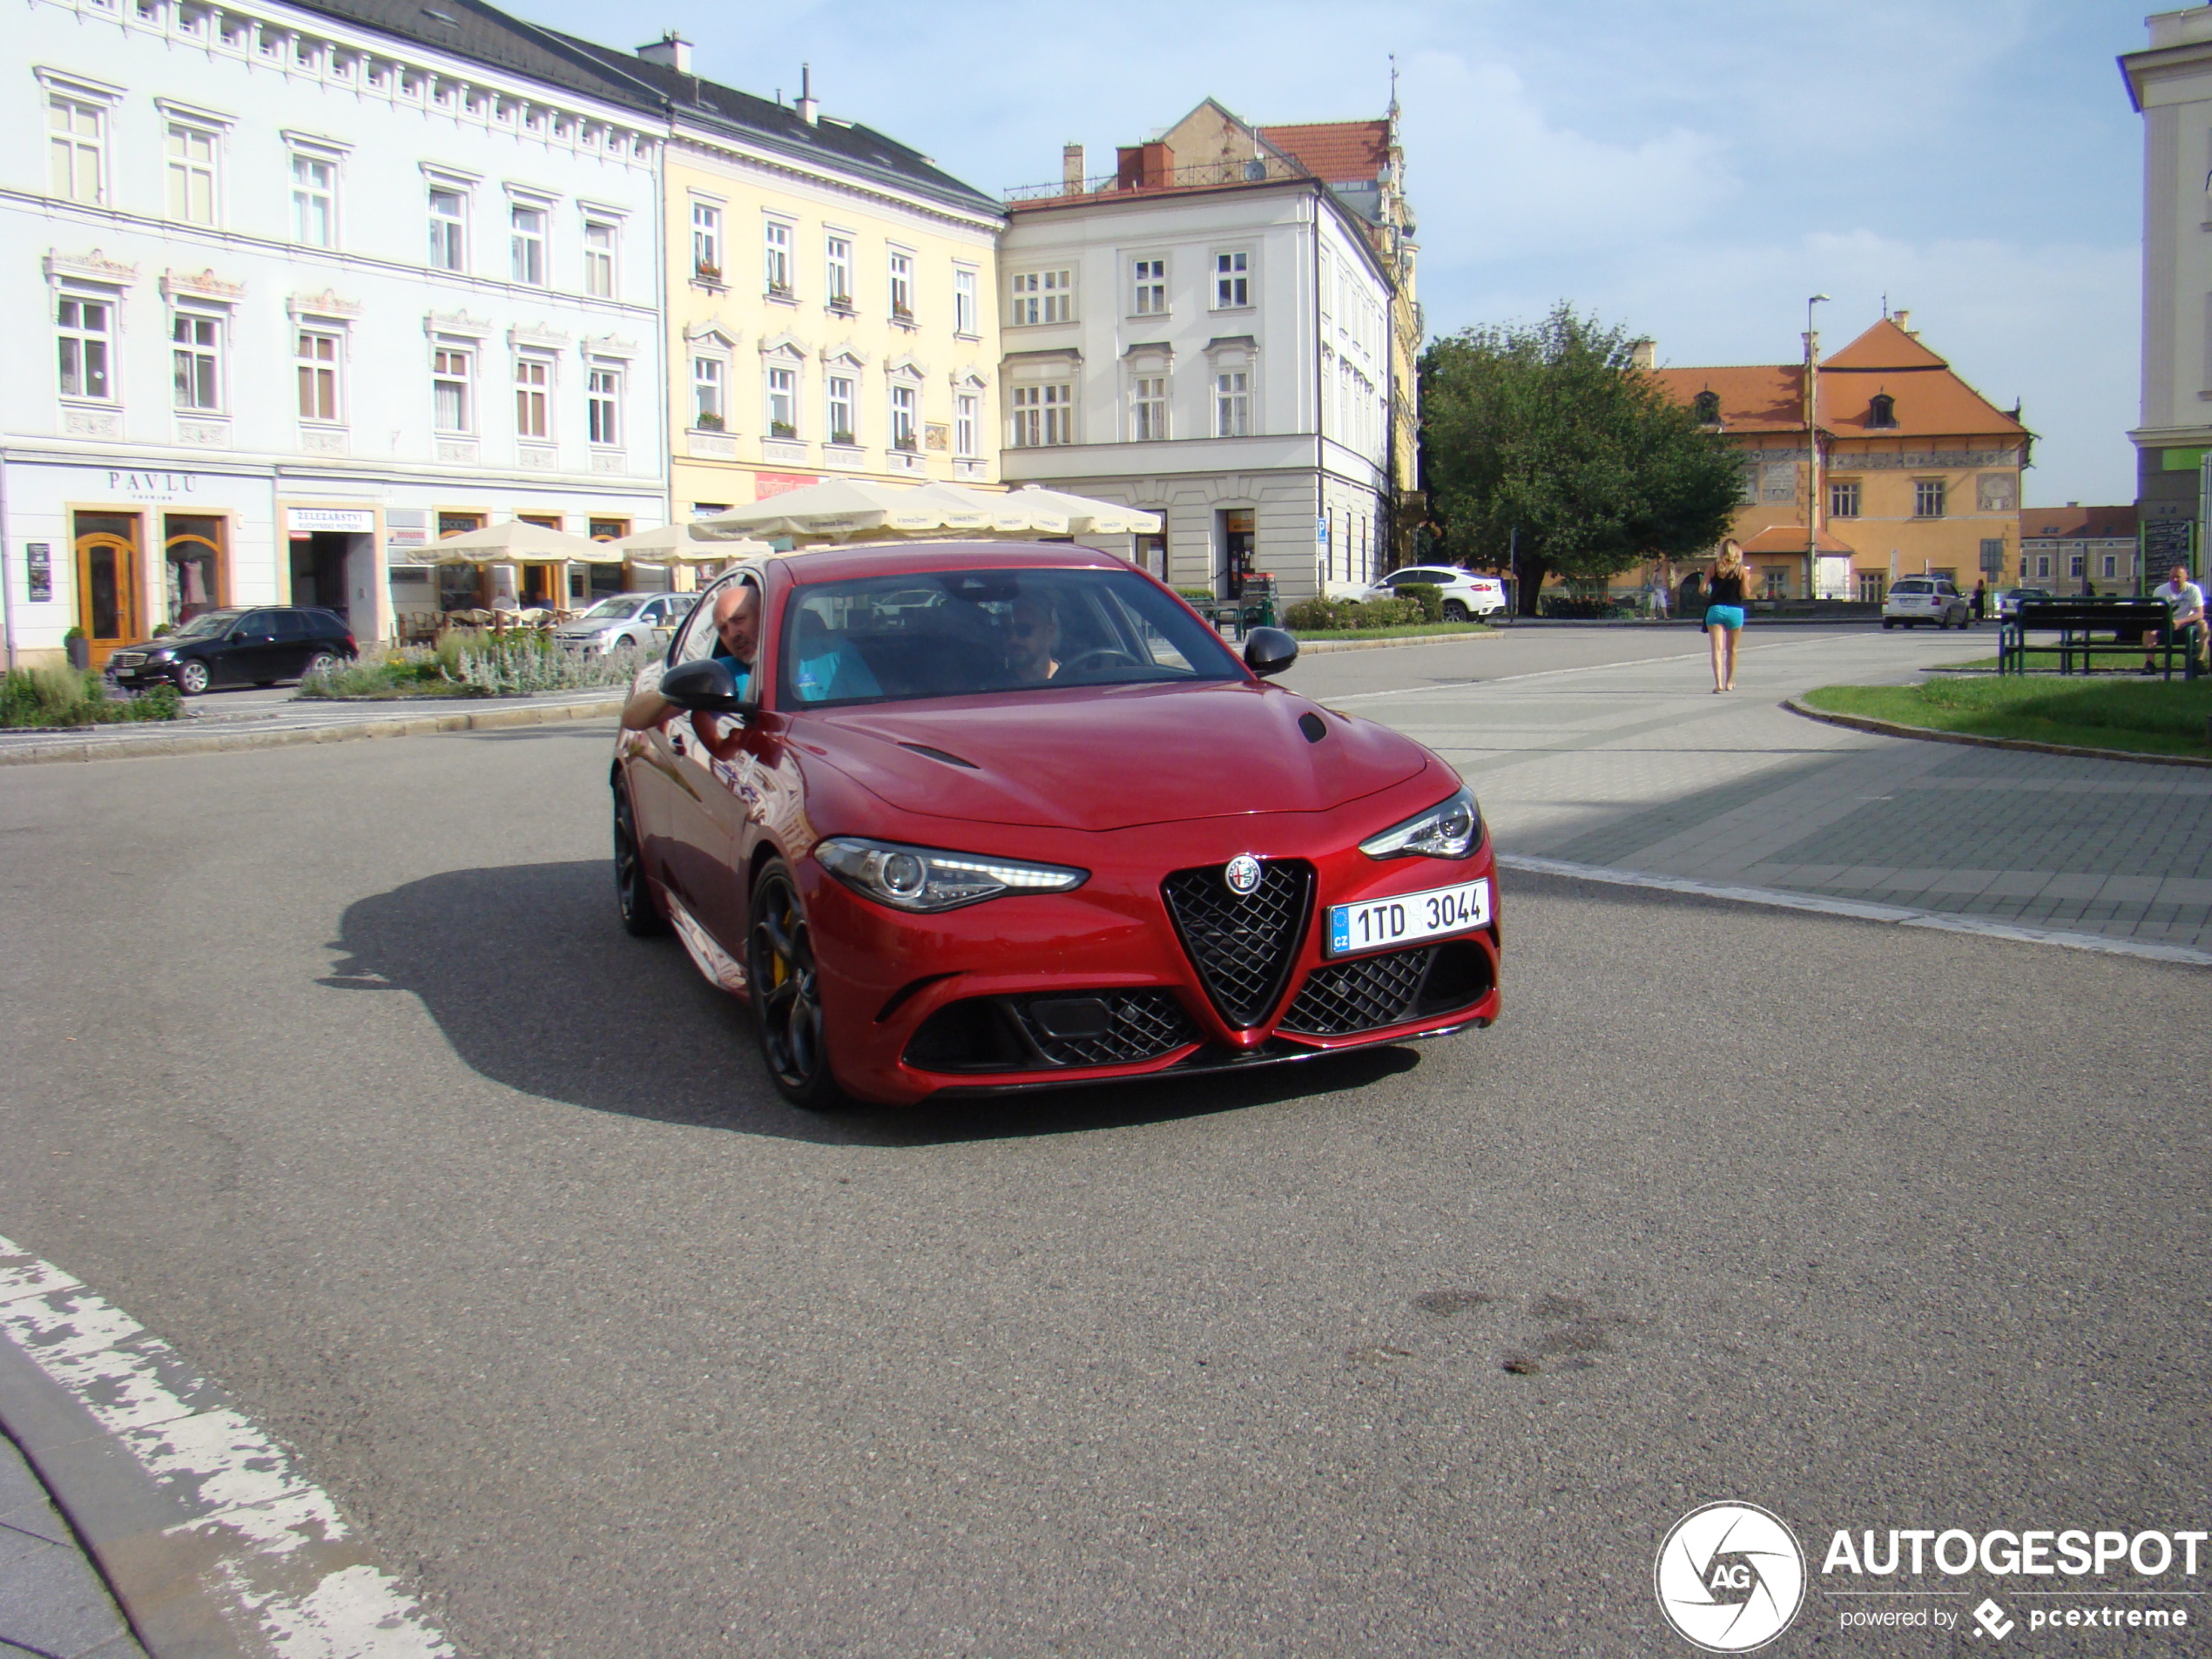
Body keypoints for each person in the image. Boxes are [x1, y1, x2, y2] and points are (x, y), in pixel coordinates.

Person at [621, 580, 758, 733]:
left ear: (763, 615)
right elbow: (632, 719)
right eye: (723, 629)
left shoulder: (789, 670)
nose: (733, 634)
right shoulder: (724, 674)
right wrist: (676, 690)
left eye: (739, 619)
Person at [2145, 562, 2207, 678]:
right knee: (2149, 629)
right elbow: (2155, 613)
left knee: (2203, 625)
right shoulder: (2160, 590)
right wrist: (2165, 623)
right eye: (2172, 577)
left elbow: (2199, 613)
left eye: (2178, 577)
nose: (2174, 580)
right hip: (2166, 627)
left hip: (2187, 627)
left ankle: (2199, 662)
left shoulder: (2193, 590)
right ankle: (2150, 664)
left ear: (2186, 578)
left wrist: (2180, 622)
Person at [1703, 540, 1750, 692]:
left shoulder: (1713, 567)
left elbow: (1702, 589)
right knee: (1732, 649)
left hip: (1715, 609)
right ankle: (1730, 682)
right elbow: (1745, 593)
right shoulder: (1741, 570)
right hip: (1735, 610)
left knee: (1717, 649)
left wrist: (1711, 593)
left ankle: (1718, 684)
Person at [1004, 595, 1061, 684]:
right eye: (1007, 631)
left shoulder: (1077, 680)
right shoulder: (991, 688)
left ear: (1050, 632)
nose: (1013, 639)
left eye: (1023, 630)